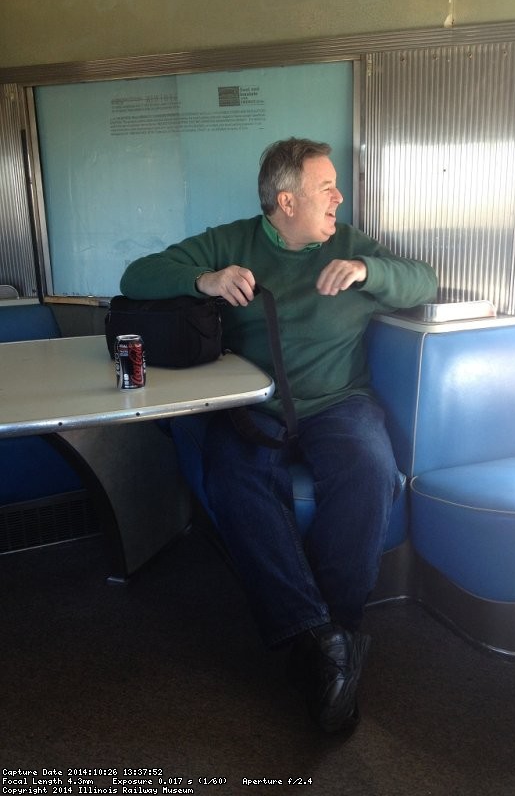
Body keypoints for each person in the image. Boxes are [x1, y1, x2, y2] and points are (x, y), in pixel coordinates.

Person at [121, 137, 438, 733]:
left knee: (372, 472)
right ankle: (322, 641)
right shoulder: (231, 240)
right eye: (326, 188)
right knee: (233, 475)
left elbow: (424, 281)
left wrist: (371, 270)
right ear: (286, 201)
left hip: (341, 403)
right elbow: (138, 275)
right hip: (256, 405)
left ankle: (330, 634)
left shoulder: (348, 243)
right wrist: (206, 280)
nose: (339, 197)